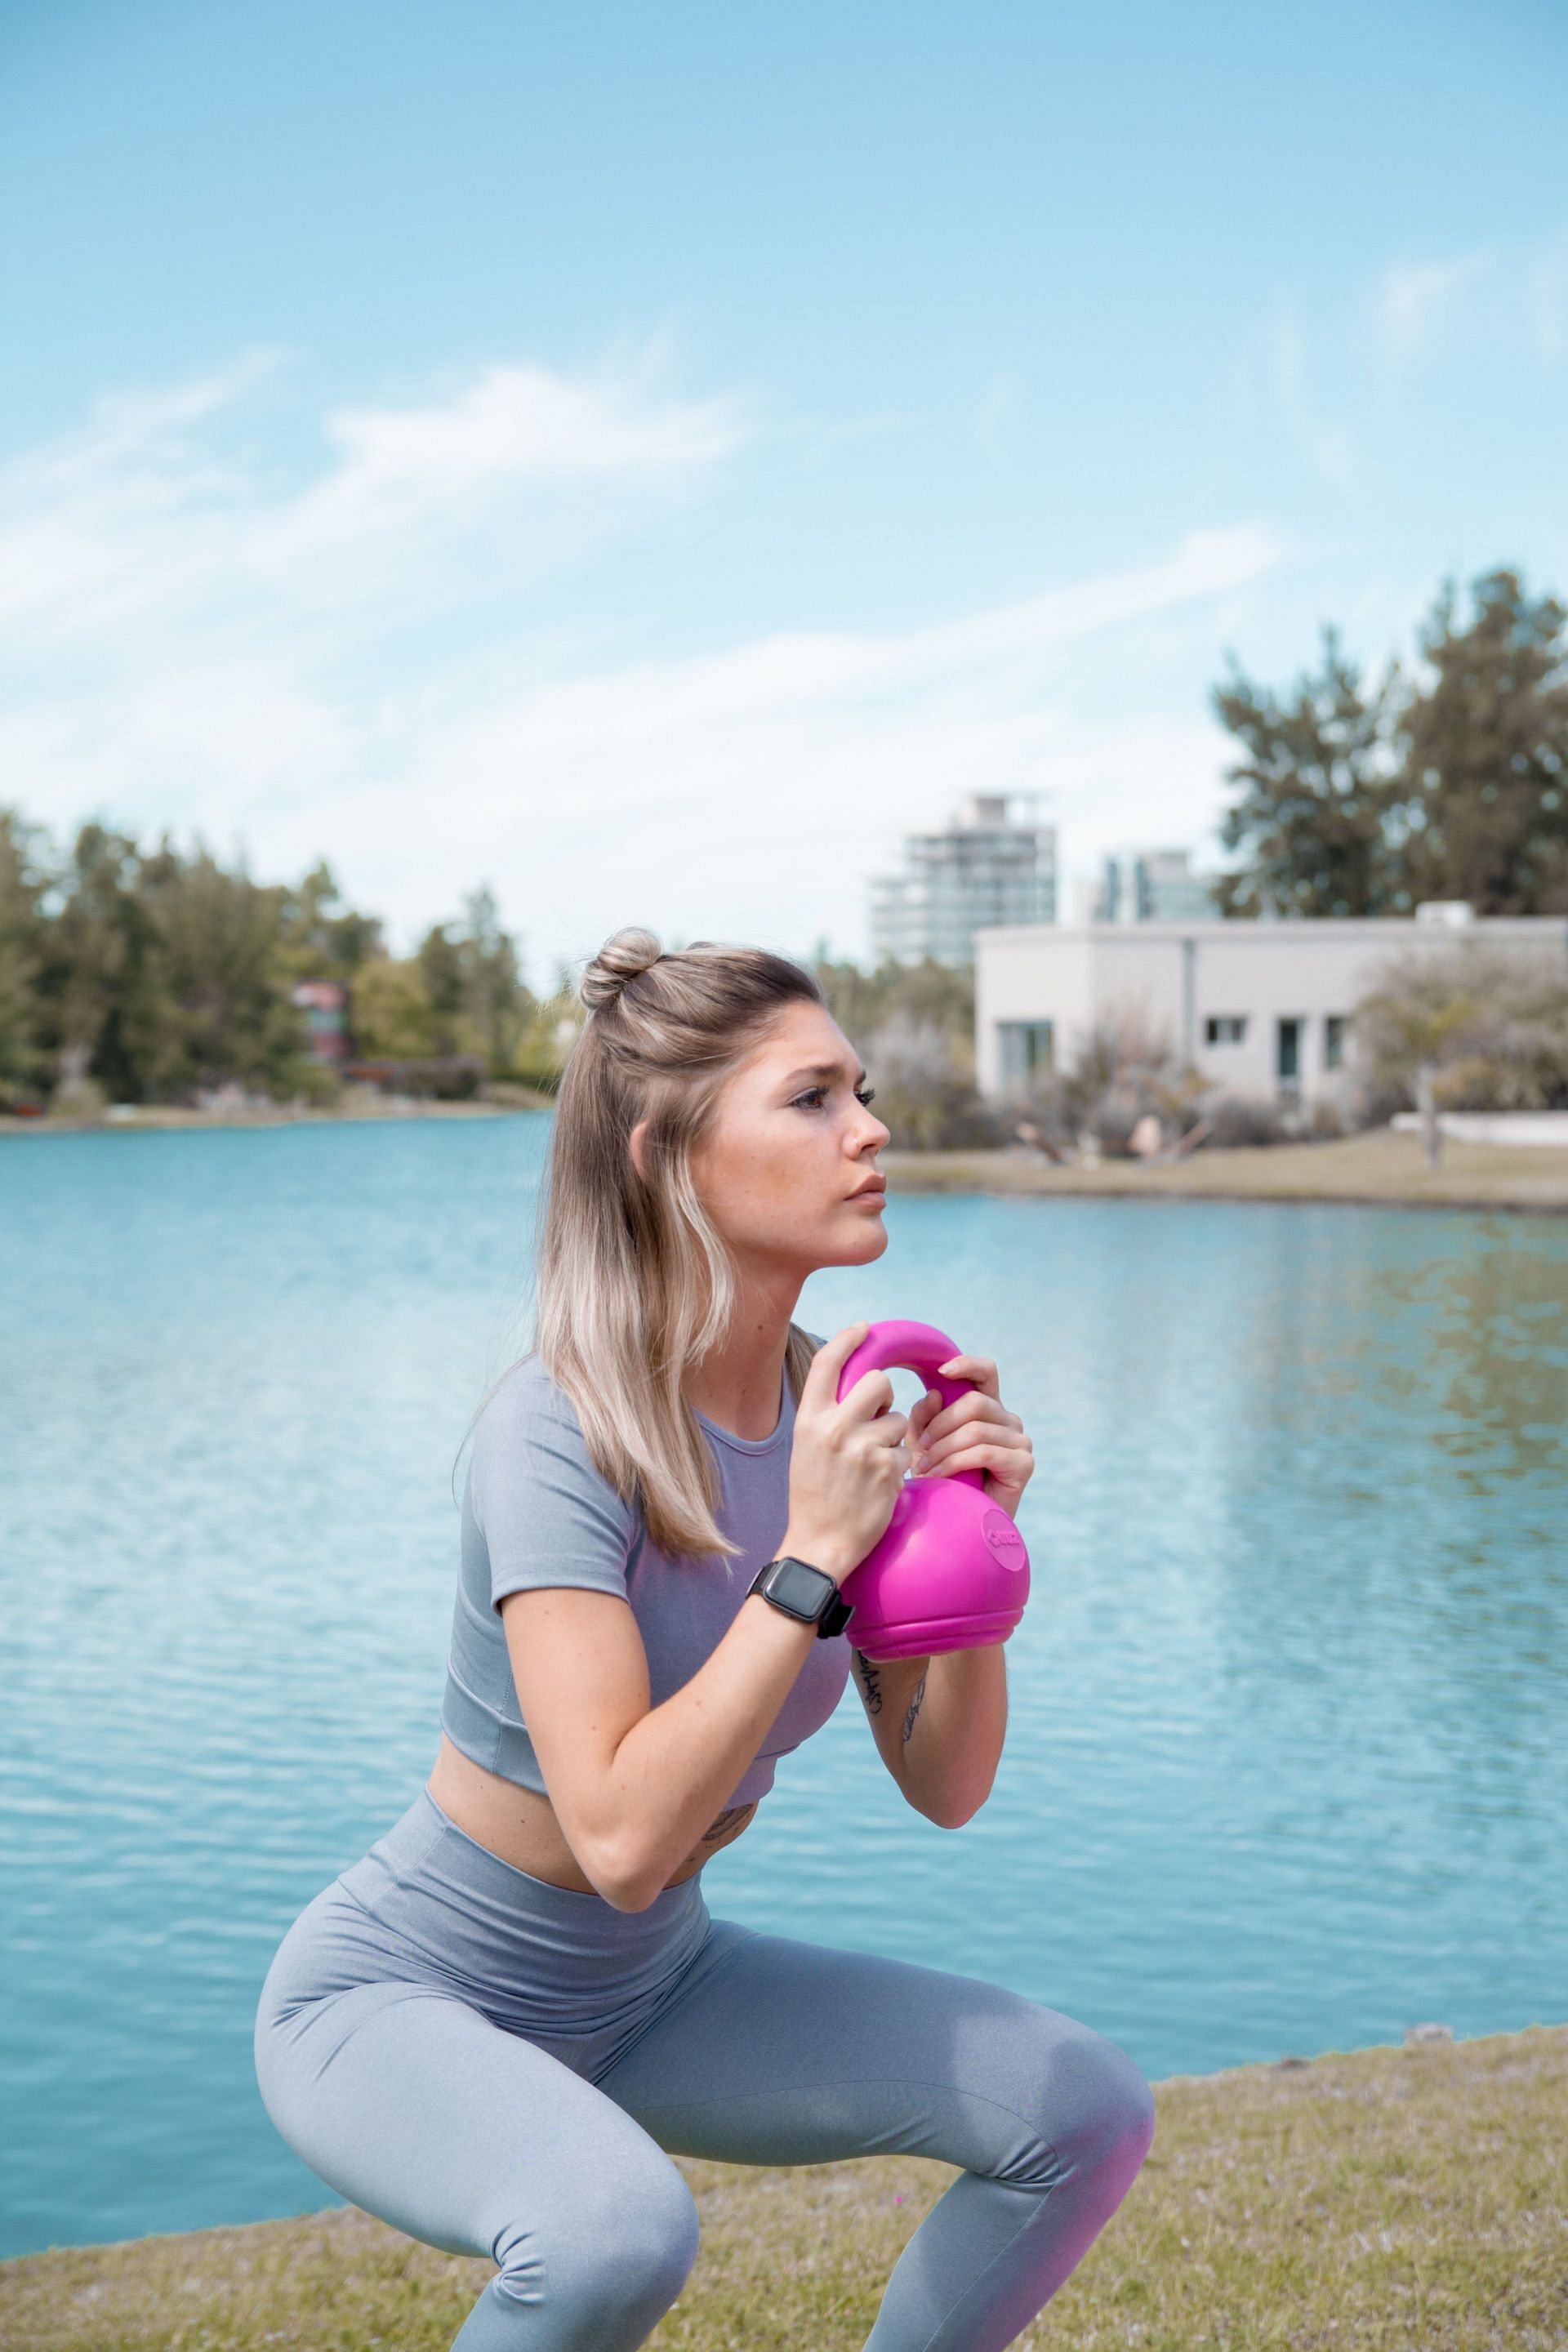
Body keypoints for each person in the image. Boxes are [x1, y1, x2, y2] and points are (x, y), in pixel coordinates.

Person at [254, 927, 1154, 2352]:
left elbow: (946, 1785)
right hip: (407, 1993)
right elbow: (618, 1839)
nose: (871, 1129)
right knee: (613, 2233)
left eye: (860, 1090)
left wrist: (970, 1541)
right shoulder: (557, 1431)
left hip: (660, 1987)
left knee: (1084, 2113)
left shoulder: (842, 1414)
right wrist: (811, 1557)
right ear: (665, 1152)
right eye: (812, 1099)